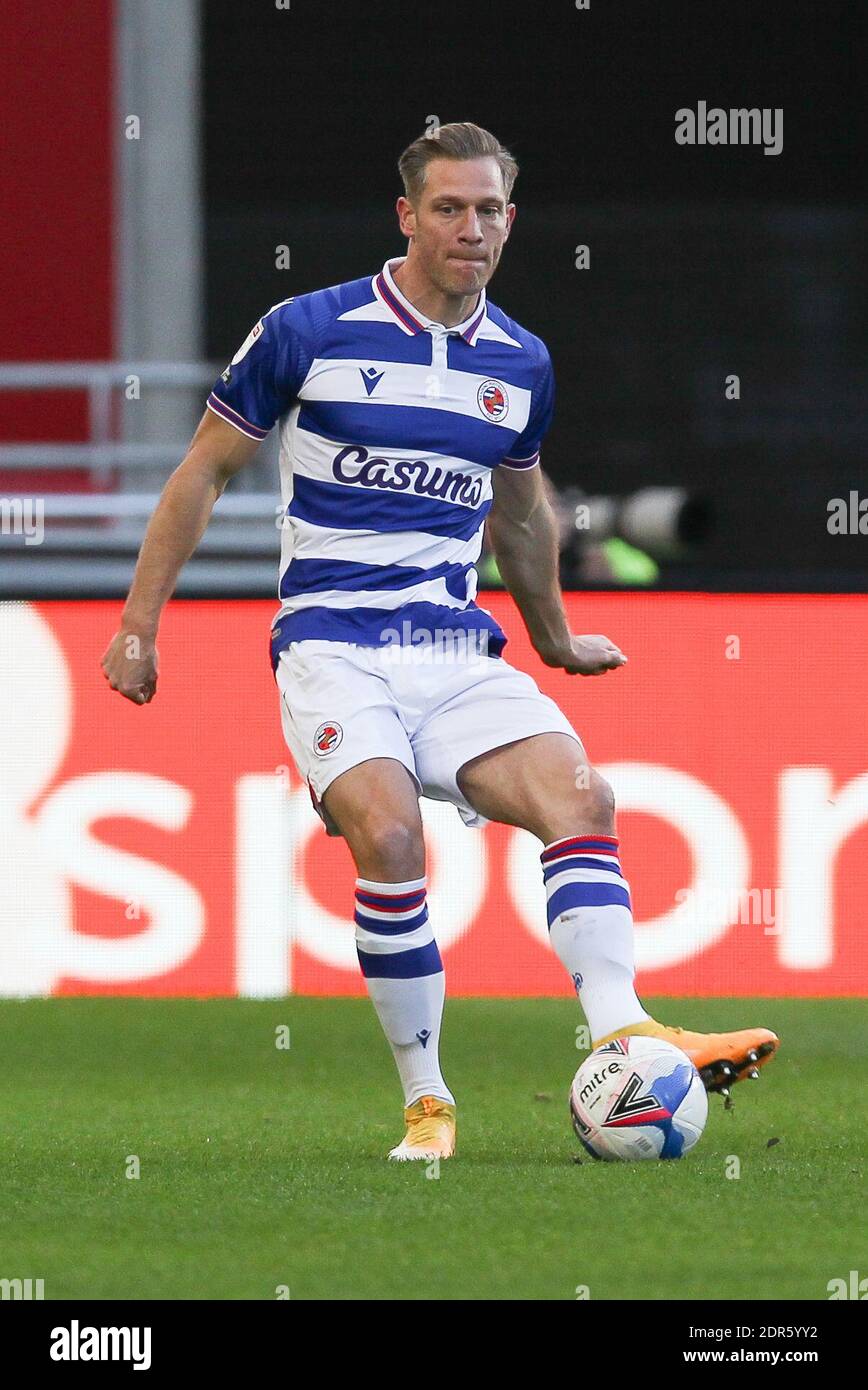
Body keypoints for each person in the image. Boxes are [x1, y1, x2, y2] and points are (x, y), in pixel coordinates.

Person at [102, 122, 778, 1161]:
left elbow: (520, 513)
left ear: (513, 219)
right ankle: (428, 1101)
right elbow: (202, 474)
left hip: (453, 650)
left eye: (491, 209)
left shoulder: (519, 362)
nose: (472, 229)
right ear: (407, 215)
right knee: (390, 837)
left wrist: (552, 636)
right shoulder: (307, 329)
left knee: (583, 798)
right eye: (450, 208)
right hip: (333, 644)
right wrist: (138, 627)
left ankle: (625, 1034)